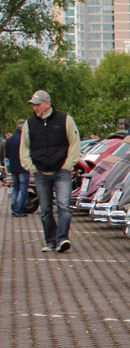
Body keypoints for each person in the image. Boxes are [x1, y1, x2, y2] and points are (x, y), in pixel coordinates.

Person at [20, 89, 80, 253]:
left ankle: (62, 238)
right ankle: (50, 241)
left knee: (63, 207)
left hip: (62, 171)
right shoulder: (29, 124)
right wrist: (31, 166)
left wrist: (68, 164)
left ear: (47, 103)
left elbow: (75, 143)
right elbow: (24, 147)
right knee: (45, 209)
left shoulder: (65, 120)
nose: (35, 108)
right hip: (41, 172)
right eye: (33, 105)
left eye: (38, 105)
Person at [6, 120, 31, 216]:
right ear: (22, 127)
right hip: (23, 167)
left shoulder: (10, 139)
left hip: (13, 167)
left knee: (15, 187)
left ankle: (13, 207)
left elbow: (7, 154)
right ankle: (18, 209)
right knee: (23, 188)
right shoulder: (24, 139)